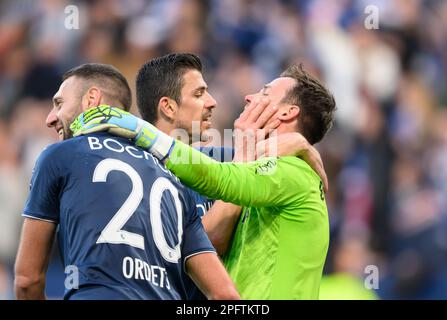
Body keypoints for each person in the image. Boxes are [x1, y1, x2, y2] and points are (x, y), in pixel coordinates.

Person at [71, 63, 337, 299]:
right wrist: (299, 144)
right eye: (199, 93)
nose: (249, 96)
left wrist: (138, 129)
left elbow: (219, 180)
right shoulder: (256, 170)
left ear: (287, 113)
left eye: (265, 93)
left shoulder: (290, 172)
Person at [14, 63, 240, 300]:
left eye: (59, 103)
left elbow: (28, 281)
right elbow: (226, 296)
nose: (50, 118)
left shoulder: (60, 155)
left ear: (92, 98)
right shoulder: (174, 179)